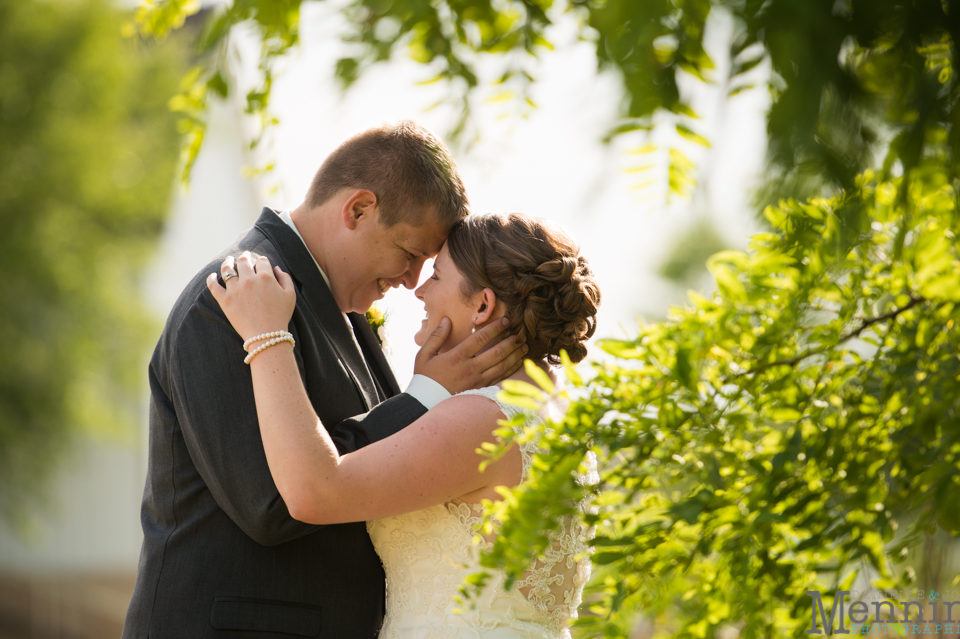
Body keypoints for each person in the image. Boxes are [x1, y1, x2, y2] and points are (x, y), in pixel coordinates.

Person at [123, 122, 526, 639]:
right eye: (409, 254)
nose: (411, 282)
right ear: (358, 210)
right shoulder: (235, 299)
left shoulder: (346, 311)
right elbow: (271, 503)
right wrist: (425, 397)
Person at [207, 212, 602, 639]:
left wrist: (266, 335)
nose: (419, 290)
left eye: (436, 275)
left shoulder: (484, 420)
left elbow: (314, 491)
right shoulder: (554, 413)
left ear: (483, 305)